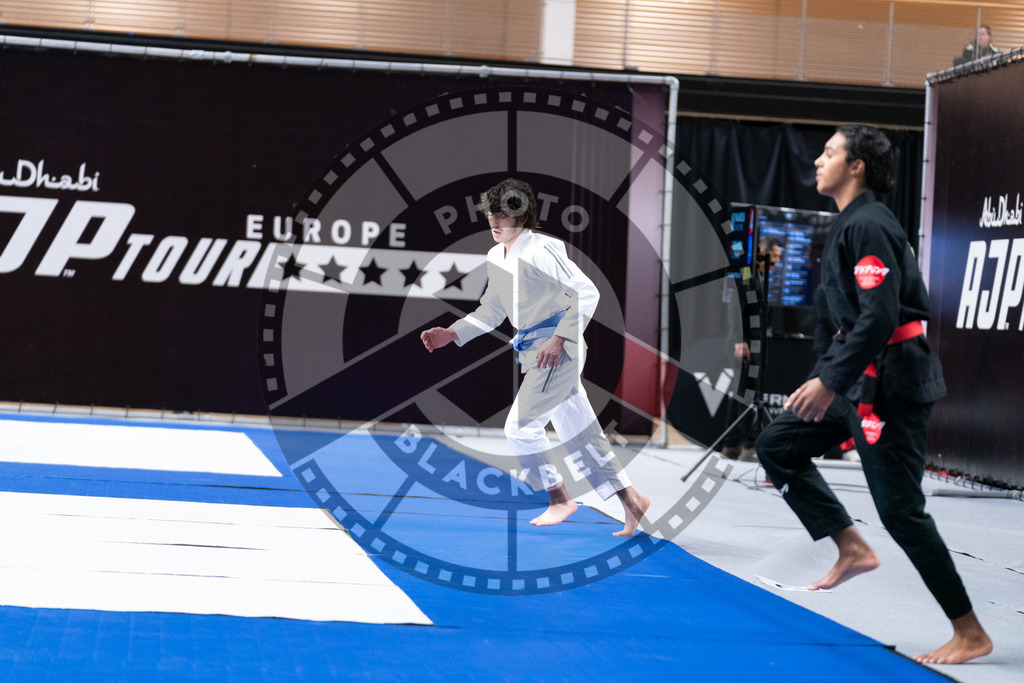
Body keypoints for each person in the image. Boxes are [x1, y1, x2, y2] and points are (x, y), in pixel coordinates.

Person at [754, 125, 992, 664]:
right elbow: (836, 313)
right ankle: (852, 547)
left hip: (893, 383)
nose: (818, 160)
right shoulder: (849, 225)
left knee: (902, 511)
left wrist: (829, 380)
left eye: (830, 152)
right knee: (778, 445)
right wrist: (824, 376)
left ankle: (970, 630)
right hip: (858, 375)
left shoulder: (870, 225)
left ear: (857, 166)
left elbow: (881, 316)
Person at [420, 178, 650, 536]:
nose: (495, 223)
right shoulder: (497, 254)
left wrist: (559, 339)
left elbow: (586, 294)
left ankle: (560, 498)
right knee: (580, 433)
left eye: (503, 216)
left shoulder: (541, 249)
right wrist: (453, 333)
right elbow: (492, 309)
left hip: (559, 348)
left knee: (520, 428)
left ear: (522, 216)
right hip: (534, 350)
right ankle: (631, 499)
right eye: (490, 215)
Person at [721, 237, 782, 461]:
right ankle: (748, 446)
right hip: (744, 343)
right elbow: (736, 304)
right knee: (746, 395)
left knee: (739, 394)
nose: (776, 263)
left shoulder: (758, 276)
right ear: (762, 252)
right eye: (774, 257)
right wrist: (740, 340)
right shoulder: (747, 273)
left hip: (752, 341)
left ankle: (732, 446)